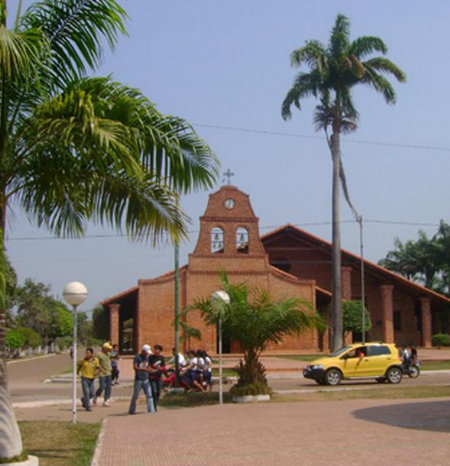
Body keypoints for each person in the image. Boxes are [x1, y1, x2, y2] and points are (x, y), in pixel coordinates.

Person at [128, 344, 155, 415]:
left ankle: (151, 410)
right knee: (136, 395)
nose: (147, 354)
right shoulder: (137, 357)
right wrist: (144, 369)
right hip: (139, 379)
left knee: (149, 395)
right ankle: (132, 409)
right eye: (146, 352)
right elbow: (135, 367)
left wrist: (151, 370)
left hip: (146, 378)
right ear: (143, 351)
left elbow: (148, 366)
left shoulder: (147, 358)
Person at [94, 342, 113, 407]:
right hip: (102, 373)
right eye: (107, 349)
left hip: (108, 373)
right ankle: (96, 395)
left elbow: (111, 359)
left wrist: (110, 367)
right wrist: (102, 369)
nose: (108, 350)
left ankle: (106, 400)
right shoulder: (99, 355)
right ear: (104, 348)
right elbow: (97, 364)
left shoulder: (108, 354)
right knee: (102, 386)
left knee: (108, 387)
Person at [148, 344, 166, 410]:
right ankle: (153, 406)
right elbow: (149, 365)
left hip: (159, 377)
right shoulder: (151, 357)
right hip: (152, 377)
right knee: (154, 391)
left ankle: (155, 404)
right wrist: (152, 369)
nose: (155, 351)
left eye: (156, 349)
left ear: (159, 351)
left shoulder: (161, 358)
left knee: (158, 392)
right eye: (154, 349)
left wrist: (160, 369)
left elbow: (164, 367)